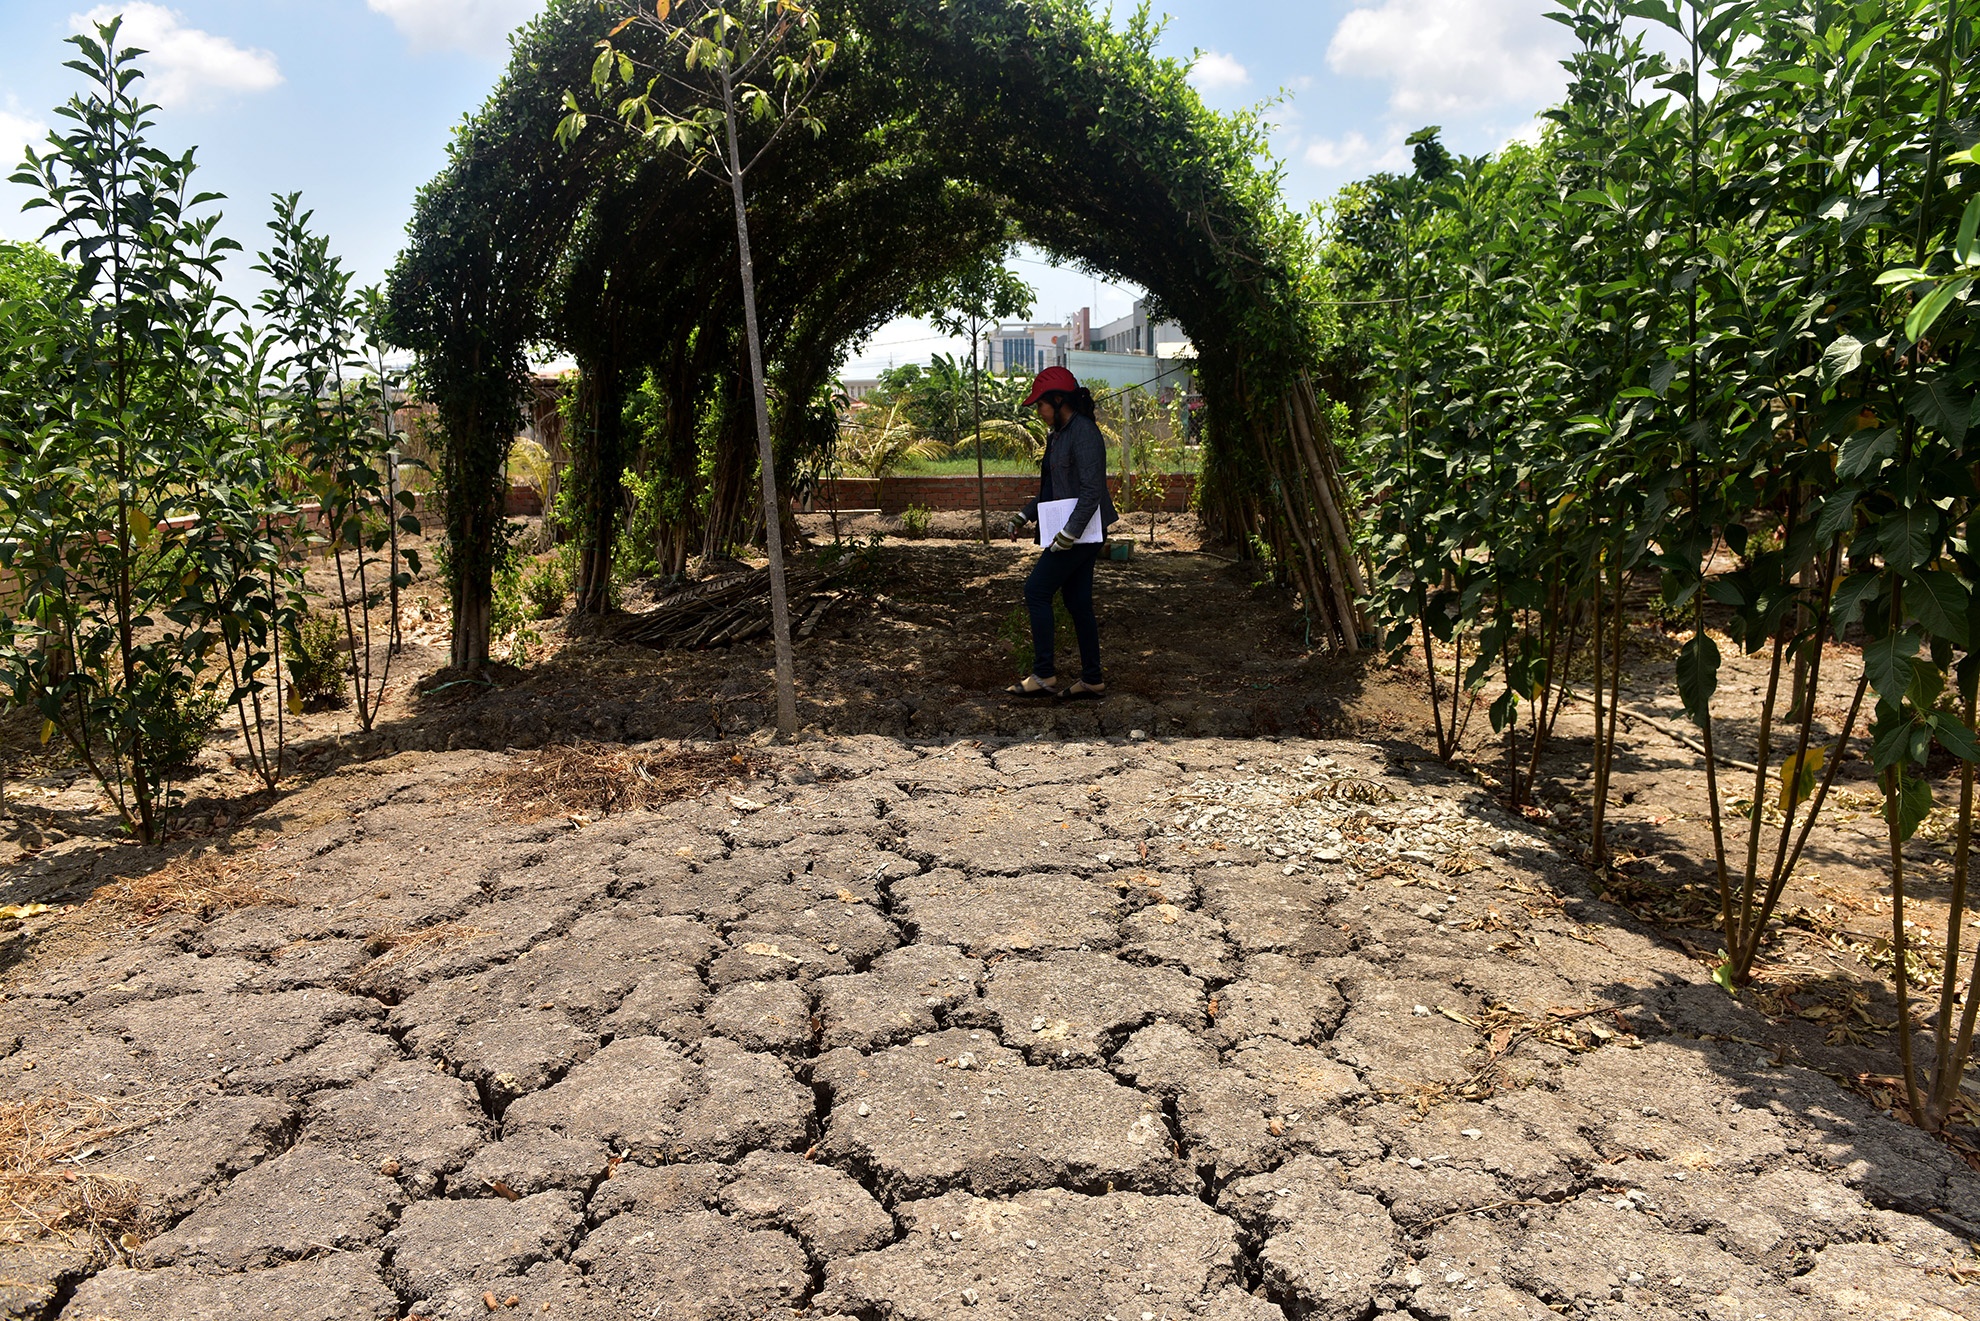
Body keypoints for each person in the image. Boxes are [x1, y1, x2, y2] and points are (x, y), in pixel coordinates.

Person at [1007, 365, 1117, 700]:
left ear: (1058, 400)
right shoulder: (1059, 434)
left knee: (1036, 590)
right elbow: (1054, 489)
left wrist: (1069, 534)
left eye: (1040, 404)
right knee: (1077, 601)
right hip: (1073, 532)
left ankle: (1043, 674)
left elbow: (1091, 490)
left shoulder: (1084, 432)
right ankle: (1092, 678)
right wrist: (1024, 515)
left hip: (1081, 533)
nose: (1038, 412)